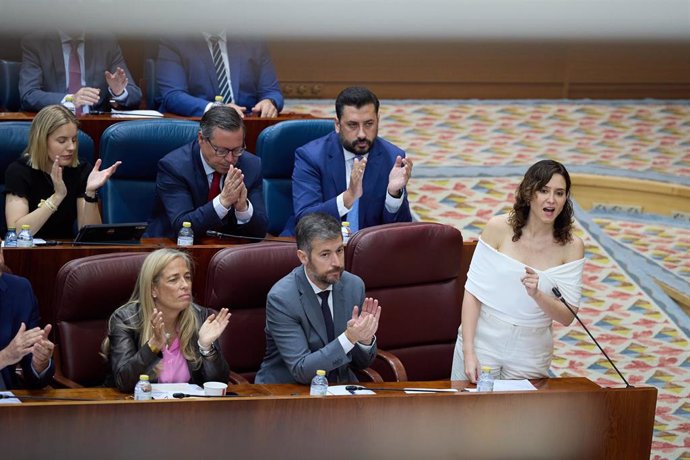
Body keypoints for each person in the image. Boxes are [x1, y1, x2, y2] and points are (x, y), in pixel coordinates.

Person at [451, 159, 585, 382]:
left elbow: (568, 316)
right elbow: (473, 293)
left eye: (559, 193)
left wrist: (538, 295)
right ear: (529, 192)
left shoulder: (572, 246)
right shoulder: (498, 228)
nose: (551, 200)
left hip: (531, 350)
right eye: (544, 190)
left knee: (516, 417)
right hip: (483, 338)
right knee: (463, 413)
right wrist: (468, 351)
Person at [255, 212, 381, 385]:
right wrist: (349, 338)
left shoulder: (353, 285)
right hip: (287, 395)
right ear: (303, 257)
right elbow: (301, 370)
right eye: (325, 254)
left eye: (339, 250)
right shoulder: (282, 298)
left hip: (339, 391)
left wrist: (365, 339)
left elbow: (361, 364)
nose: (336, 262)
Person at [291, 86, 413, 236]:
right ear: (337, 125)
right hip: (322, 248)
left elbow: (403, 230)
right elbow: (305, 219)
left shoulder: (393, 158)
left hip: (369, 250)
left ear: (378, 120)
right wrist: (348, 197)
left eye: (369, 124)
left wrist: (393, 195)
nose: (362, 134)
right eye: (352, 125)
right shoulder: (310, 157)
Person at [104, 249, 230, 392]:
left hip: (189, 409)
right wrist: (153, 346)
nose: (185, 285)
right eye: (174, 279)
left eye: (187, 277)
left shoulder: (200, 316)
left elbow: (219, 385)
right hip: (139, 409)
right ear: (153, 289)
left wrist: (206, 348)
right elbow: (124, 383)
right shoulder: (127, 319)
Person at [146, 105, 268, 240]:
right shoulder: (174, 167)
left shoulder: (251, 165)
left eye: (237, 150)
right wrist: (223, 202)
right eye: (221, 151)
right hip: (172, 250)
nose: (230, 159)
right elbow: (182, 228)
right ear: (201, 139)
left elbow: (260, 233)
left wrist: (243, 209)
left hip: (227, 251)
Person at [4, 105, 121, 239]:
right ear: (42, 141)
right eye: (62, 140)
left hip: (64, 252)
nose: (71, 147)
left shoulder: (81, 170)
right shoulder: (19, 172)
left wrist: (90, 193)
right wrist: (57, 197)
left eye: (74, 140)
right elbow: (17, 233)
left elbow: (91, 237)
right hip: (25, 254)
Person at [156, 33, 283, 118]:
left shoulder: (252, 40)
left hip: (248, 126)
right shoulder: (175, 41)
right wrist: (215, 109)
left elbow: (272, 91)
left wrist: (269, 102)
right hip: (200, 127)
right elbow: (173, 96)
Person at [19, 30, 142, 113]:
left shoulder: (106, 43)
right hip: (52, 124)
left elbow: (134, 94)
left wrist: (118, 92)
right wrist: (71, 100)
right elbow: (28, 95)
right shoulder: (36, 42)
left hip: (95, 127)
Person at [0, 246, 55, 390]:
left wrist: (39, 362)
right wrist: (5, 356)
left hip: (8, 403)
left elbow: (35, 379)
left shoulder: (20, 290)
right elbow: (9, 355)